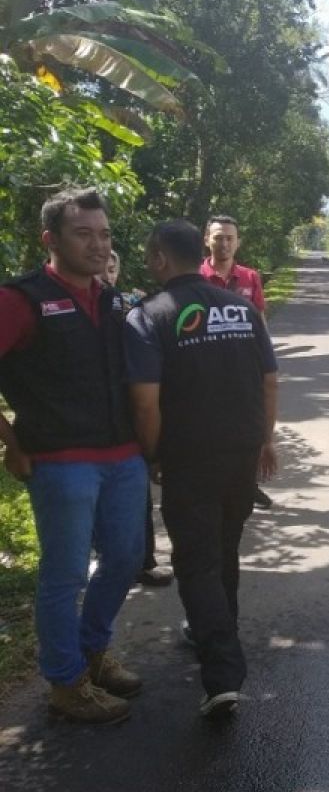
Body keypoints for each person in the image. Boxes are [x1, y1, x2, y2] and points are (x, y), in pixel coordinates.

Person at [0, 188, 147, 724]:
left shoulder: (115, 301)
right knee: (65, 576)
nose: (96, 243)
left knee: (127, 558)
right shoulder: (22, 299)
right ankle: (65, 683)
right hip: (61, 462)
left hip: (125, 457)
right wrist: (11, 444)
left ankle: (91, 651)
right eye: (83, 233)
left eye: (104, 233)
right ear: (51, 239)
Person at [124, 219, 278, 719]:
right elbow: (269, 379)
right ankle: (220, 629)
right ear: (203, 252)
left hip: (189, 457)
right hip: (240, 452)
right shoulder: (242, 309)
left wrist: (152, 454)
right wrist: (263, 439)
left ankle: (221, 673)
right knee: (224, 547)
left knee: (195, 561)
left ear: (160, 259)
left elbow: (146, 404)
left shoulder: (147, 316)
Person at [96, 250, 173, 588]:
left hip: (130, 413)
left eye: (114, 268)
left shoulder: (130, 305)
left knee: (138, 493)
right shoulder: (75, 305)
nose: (107, 273)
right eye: (103, 268)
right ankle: (102, 561)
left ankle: (143, 562)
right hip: (91, 417)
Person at [201, 214, 273, 510]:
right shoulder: (196, 277)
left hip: (245, 369)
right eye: (218, 237)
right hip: (206, 369)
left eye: (230, 238)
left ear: (238, 242)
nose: (224, 243)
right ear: (207, 240)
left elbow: (260, 320)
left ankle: (248, 484)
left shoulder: (249, 278)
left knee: (250, 426)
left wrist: (265, 358)